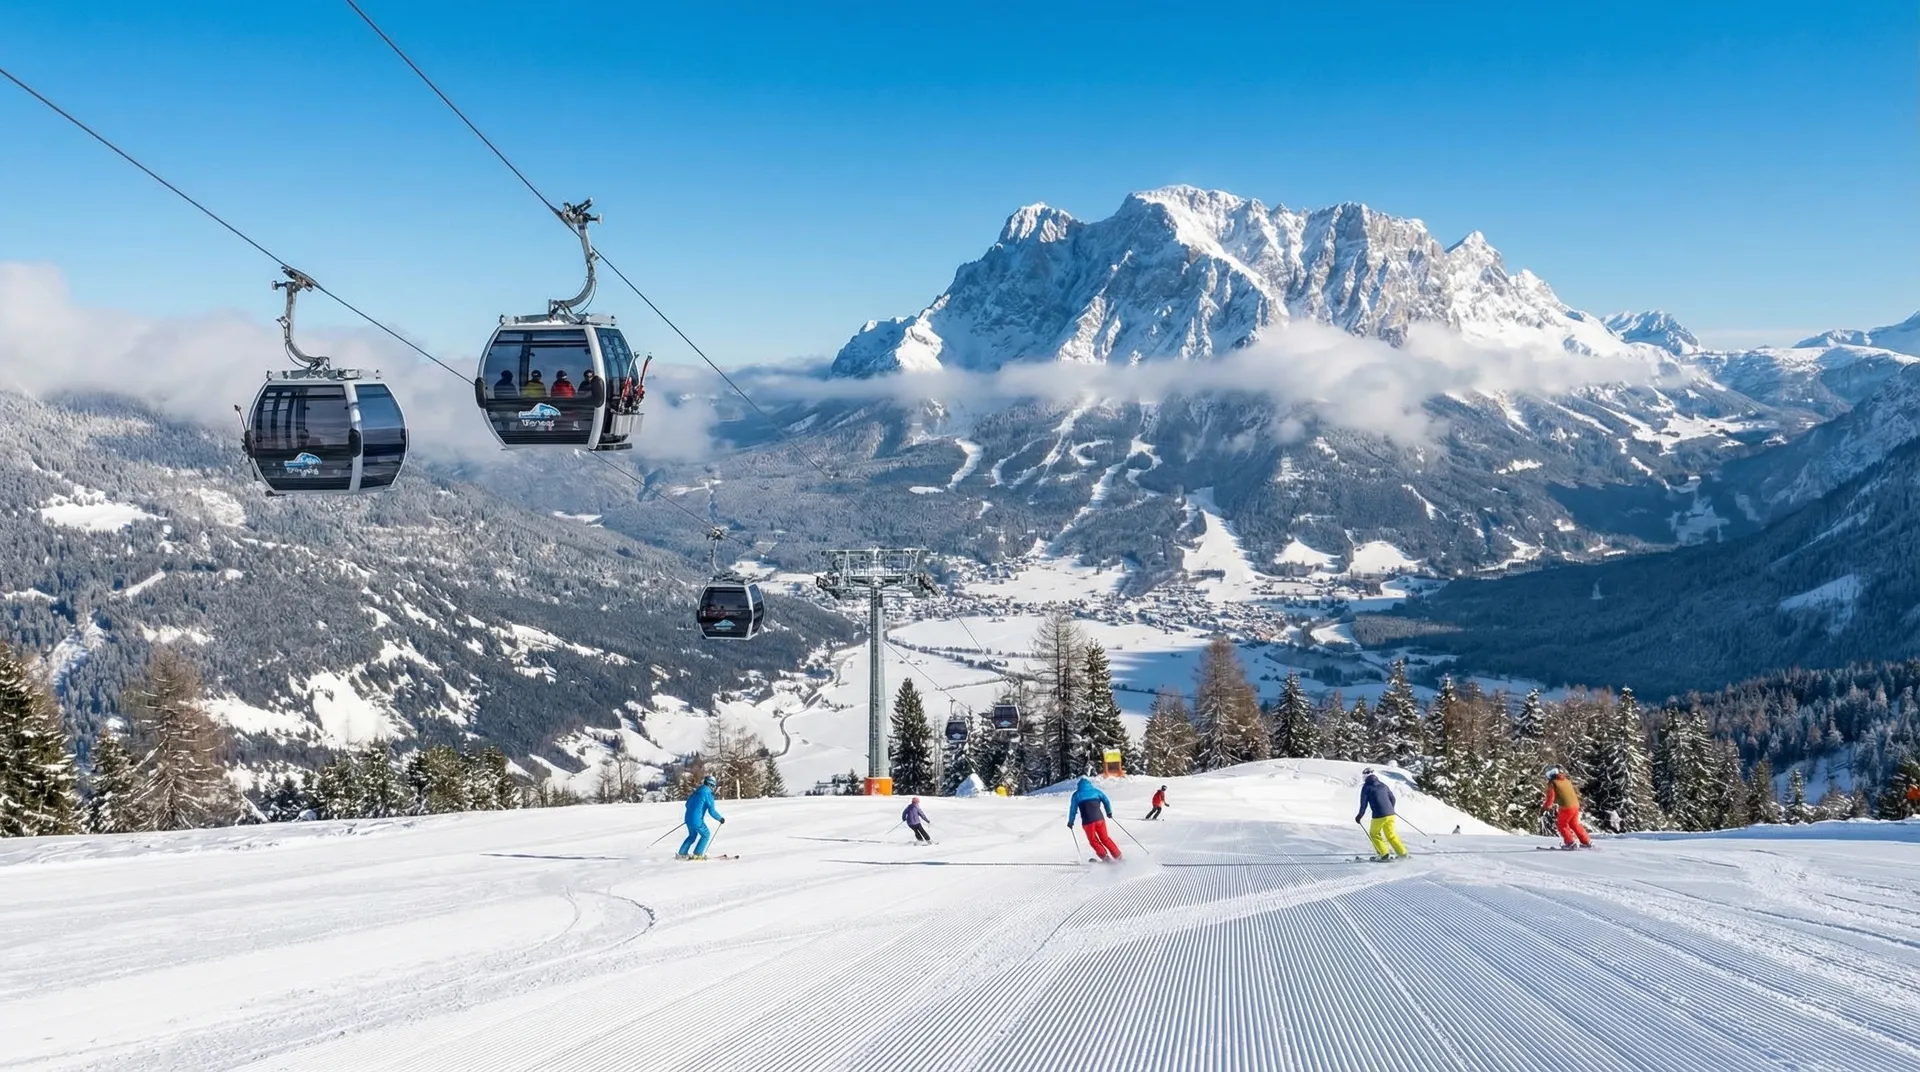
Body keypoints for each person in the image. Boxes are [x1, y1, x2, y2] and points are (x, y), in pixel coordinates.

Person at [1355, 767, 1409, 861]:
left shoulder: (1366, 787)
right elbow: (1393, 798)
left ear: (1365, 776)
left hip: (1379, 815)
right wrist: (1390, 809)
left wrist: (1359, 816)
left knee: (1374, 833)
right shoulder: (1383, 785)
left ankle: (1383, 854)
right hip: (1391, 815)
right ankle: (1403, 853)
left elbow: (1363, 804)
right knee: (1391, 834)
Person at [1067, 776, 1122, 861]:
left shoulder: (1076, 795)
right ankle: (1118, 855)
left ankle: (1104, 857)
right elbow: (1106, 801)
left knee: (1093, 840)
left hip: (1088, 822)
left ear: (1079, 786)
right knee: (1105, 838)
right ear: (1089, 784)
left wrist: (1071, 822)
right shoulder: (1096, 791)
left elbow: (1073, 809)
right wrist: (1109, 812)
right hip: (1100, 819)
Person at [1543, 767, 1594, 849]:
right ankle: (1586, 842)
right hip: (1575, 805)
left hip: (1566, 807)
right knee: (1574, 824)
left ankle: (1570, 843)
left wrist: (1547, 806)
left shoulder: (1553, 783)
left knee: (1561, 825)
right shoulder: (1566, 780)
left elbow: (1551, 797)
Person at [677, 774, 726, 859]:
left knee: (692, 836)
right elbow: (712, 811)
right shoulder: (708, 794)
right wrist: (720, 819)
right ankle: (698, 854)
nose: (714, 788)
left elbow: (687, 804)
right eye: (714, 785)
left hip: (687, 818)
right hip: (696, 820)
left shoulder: (696, 792)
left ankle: (682, 854)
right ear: (711, 784)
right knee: (706, 834)